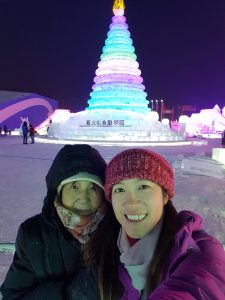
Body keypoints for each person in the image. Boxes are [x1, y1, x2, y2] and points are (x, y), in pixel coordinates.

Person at [69, 148, 225, 299]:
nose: (131, 203)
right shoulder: (105, 246)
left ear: (165, 196)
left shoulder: (198, 251)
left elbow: (196, 289)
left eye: (143, 187)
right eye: (120, 190)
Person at [0, 144, 108, 299]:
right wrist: (70, 294)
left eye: (93, 188)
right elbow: (14, 296)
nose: (84, 198)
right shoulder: (33, 235)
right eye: (75, 186)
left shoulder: (118, 232)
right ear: (59, 191)